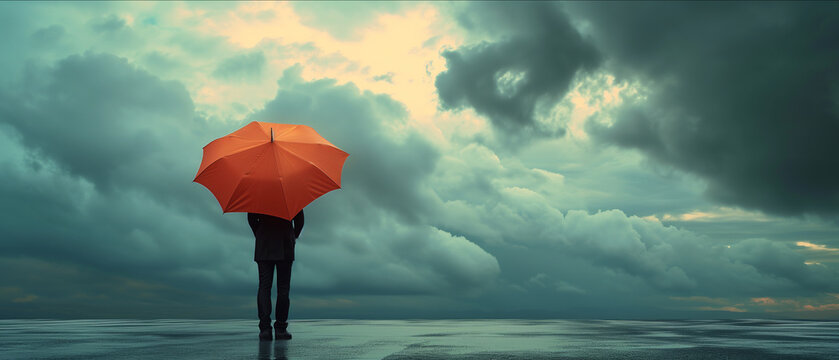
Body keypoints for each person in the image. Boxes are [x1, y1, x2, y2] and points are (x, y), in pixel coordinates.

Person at [248, 210, 304, 341]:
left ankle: (265, 329)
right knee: (283, 289)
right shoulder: (291, 192)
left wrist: (260, 233)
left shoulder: (258, 193)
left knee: (264, 287)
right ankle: (280, 329)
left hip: (264, 244)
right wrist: (293, 235)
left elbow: (251, 219)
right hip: (285, 244)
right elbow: (300, 221)